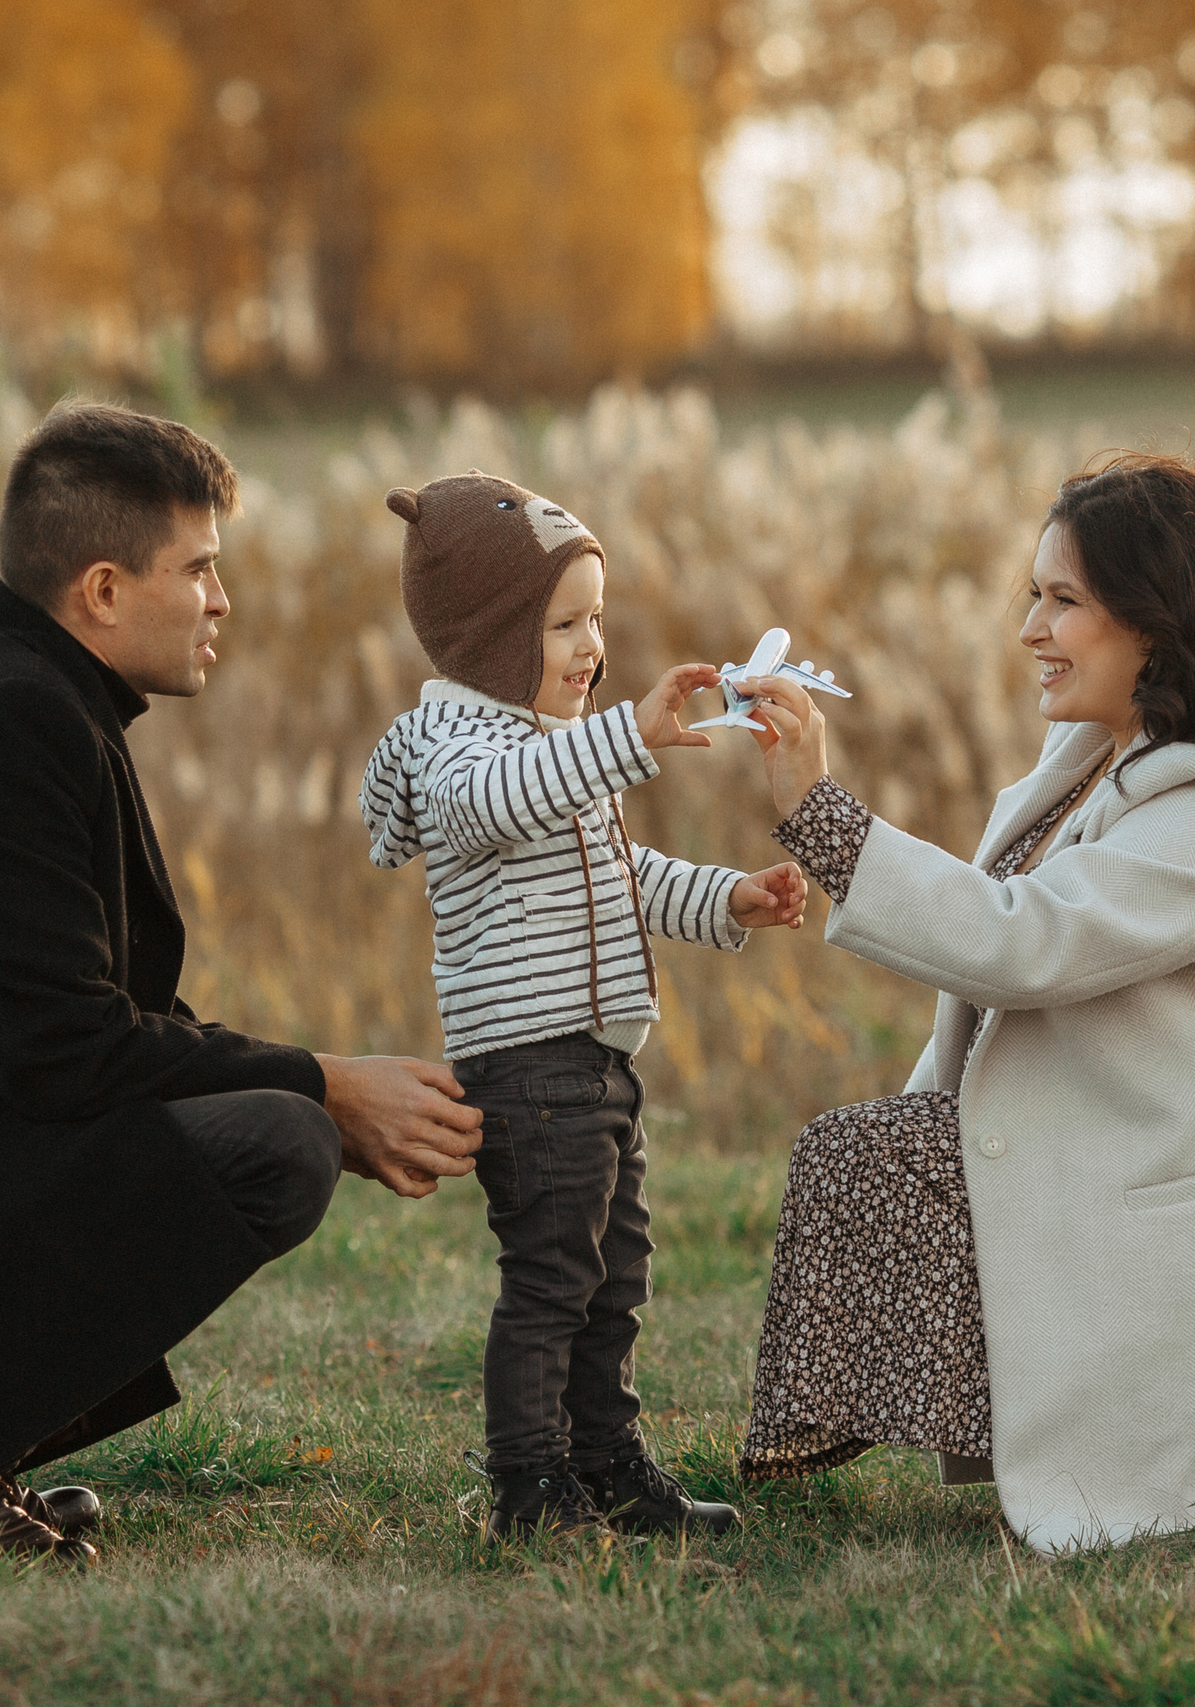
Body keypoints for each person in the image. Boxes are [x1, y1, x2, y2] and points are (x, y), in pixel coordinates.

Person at [0, 402, 484, 1560]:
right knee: (278, 1145)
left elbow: (81, 1027)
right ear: (103, 590)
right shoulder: (6, 719)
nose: (221, 600)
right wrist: (322, 1086)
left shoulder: (22, 695)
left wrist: (310, 1081)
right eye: (197, 569)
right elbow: (72, 1053)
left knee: (272, 1123)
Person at [736, 452, 1195, 1553]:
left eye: (1064, 601)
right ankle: (846, 1443)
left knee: (890, 1158)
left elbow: (1026, 940)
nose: (1030, 629)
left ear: (1157, 620)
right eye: (1033, 595)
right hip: (1145, 1150)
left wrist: (823, 816)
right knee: (868, 1154)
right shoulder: (1104, 756)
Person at [361, 473, 809, 1539]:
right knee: (553, 1280)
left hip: (594, 1062)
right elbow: (488, 807)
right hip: (530, 1064)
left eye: (596, 619)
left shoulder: (545, 749)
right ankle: (530, 1487)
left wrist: (725, 898)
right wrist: (625, 738)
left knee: (612, 1278)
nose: (591, 647)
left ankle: (605, 1463)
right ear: (486, 636)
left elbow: (618, 872)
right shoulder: (463, 752)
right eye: (563, 624)